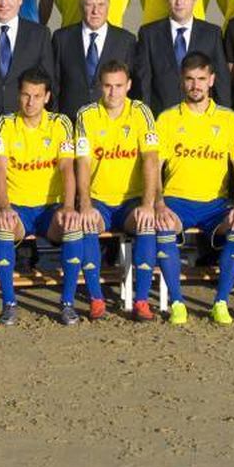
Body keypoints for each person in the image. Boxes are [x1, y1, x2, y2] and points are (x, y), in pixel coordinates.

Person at [150, 53, 234, 327]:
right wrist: (158, 203)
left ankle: (221, 301)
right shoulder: (168, 119)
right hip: (177, 200)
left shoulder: (229, 119)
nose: (196, 85)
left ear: (212, 80)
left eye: (201, 79)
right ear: (182, 82)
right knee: (162, 227)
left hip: (215, 204)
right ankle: (178, 302)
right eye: (190, 79)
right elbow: (155, 167)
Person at [74, 60, 162, 320]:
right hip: (99, 201)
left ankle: (142, 300)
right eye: (108, 86)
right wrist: (86, 204)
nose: (113, 92)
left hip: (130, 202)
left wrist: (148, 204)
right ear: (100, 86)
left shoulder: (141, 112)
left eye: (119, 86)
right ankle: (96, 299)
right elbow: (83, 162)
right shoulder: (86, 114)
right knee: (86, 224)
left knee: (147, 223)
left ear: (129, 86)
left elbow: (150, 160)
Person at [0, 70, 82, 323]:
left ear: (47, 97)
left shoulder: (60, 123)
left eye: (36, 96)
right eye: (25, 95)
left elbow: (67, 168)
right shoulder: (5, 123)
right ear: (18, 95)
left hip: (49, 210)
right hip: (17, 208)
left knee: (73, 228)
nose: (30, 102)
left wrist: (67, 206)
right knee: (3, 229)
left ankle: (67, 303)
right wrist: (5, 206)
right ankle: (9, 302)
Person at [134, 0, 229, 114]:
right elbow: (143, 83)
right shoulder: (149, 34)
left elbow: (221, 82)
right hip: (161, 119)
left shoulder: (212, 34)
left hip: (201, 120)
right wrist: (145, 119)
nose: (179, 2)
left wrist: (223, 117)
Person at [51, 0, 136, 118]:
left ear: (108, 6)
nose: (95, 11)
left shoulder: (126, 41)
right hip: (70, 120)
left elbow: (132, 86)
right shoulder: (62, 38)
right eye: (89, 5)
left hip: (111, 122)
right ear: (81, 6)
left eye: (101, 5)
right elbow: (54, 84)